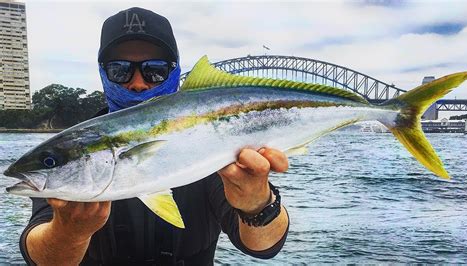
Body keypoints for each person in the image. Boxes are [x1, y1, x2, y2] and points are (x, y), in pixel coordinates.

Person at [20, 7, 290, 265]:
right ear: (103, 73)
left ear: (174, 71)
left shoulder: (213, 138)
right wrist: (69, 233)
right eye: (120, 70)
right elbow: (43, 258)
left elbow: (262, 246)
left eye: (155, 70)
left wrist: (258, 204)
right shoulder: (76, 145)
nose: (138, 83)